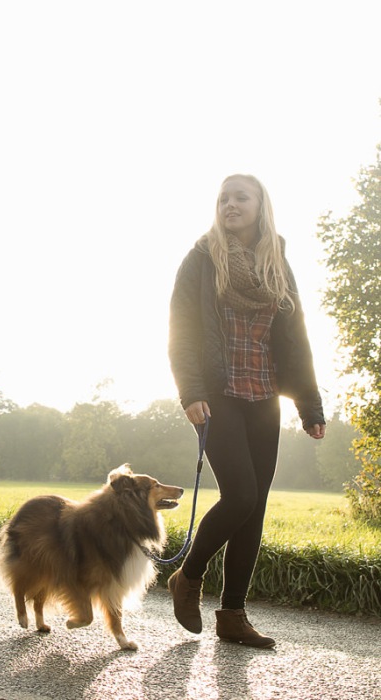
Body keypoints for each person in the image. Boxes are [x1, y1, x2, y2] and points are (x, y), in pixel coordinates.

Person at [167, 173, 325, 648]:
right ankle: (188, 576)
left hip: (264, 396)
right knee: (239, 495)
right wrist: (190, 390)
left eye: (241, 197)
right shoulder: (200, 259)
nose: (230, 205)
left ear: (261, 205)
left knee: (253, 509)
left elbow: (295, 340)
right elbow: (182, 329)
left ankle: (232, 616)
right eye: (223, 199)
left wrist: (309, 404)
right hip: (217, 395)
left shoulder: (277, 263)